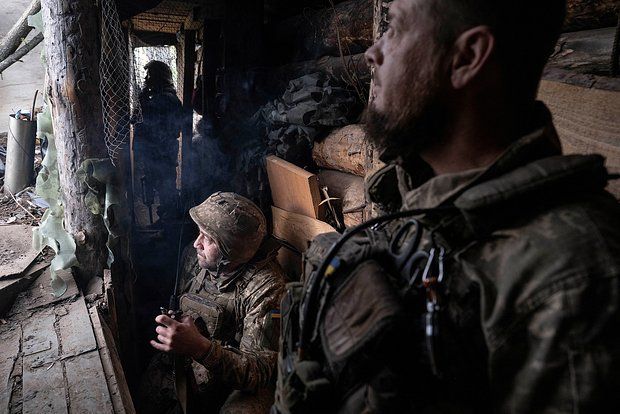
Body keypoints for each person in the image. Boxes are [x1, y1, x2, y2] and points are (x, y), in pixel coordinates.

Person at [273, 0, 620, 413]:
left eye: (395, 28)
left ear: (467, 57)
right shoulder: (428, 208)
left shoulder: (576, 277)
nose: (372, 53)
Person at [146, 192, 286, 413]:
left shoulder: (267, 288)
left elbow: (259, 373)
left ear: (232, 250)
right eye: (199, 233)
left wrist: (199, 347)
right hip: (194, 363)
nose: (196, 244)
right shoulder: (195, 259)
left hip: (236, 380)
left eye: (209, 239)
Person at [134, 60, 182, 222]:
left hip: (162, 151)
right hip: (159, 150)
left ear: (159, 77)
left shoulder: (166, 98)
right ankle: (166, 220)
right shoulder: (161, 97)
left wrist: (143, 101)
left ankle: (169, 223)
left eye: (149, 75)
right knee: (161, 186)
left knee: (165, 187)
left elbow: (147, 120)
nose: (146, 79)